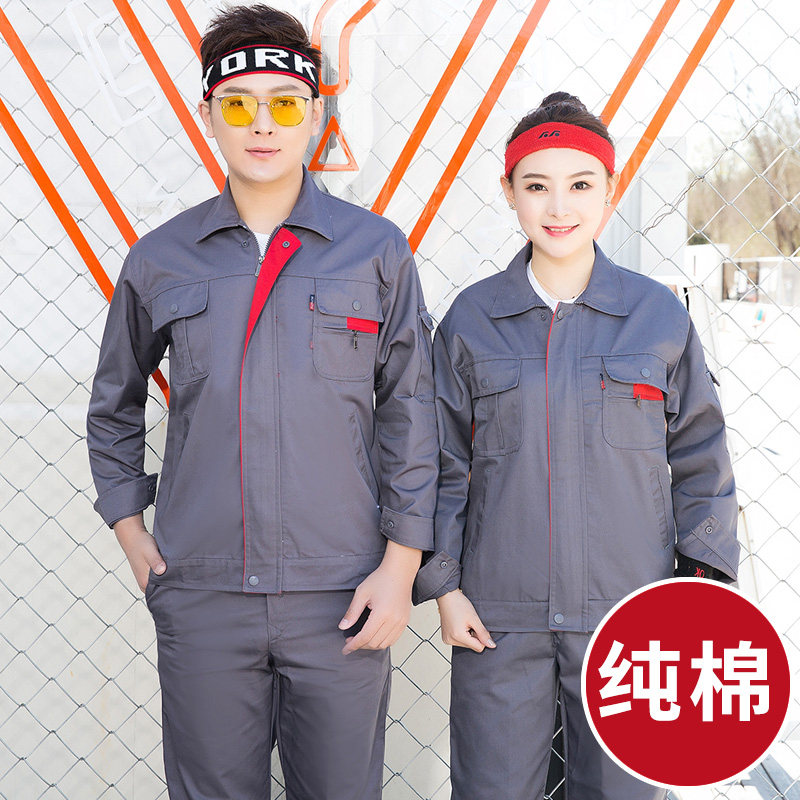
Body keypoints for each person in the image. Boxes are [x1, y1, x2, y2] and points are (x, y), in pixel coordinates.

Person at [86, 5, 438, 799]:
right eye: (239, 105)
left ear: (315, 115)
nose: (263, 125)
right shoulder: (162, 258)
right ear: (208, 114)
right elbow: (114, 403)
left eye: (285, 103)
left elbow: (411, 410)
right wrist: (128, 526)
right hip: (204, 590)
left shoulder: (375, 250)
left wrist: (401, 564)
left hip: (342, 590)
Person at [414, 92, 740, 799]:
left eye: (581, 184)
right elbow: (441, 461)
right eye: (536, 186)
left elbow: (700, 456)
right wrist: (445, 584)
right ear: (509, 192)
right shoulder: (472, 319)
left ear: (610, 191)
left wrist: (701, 585)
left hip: (630, 618)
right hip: (498, 619)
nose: (559, 206)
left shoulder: (656, 316)